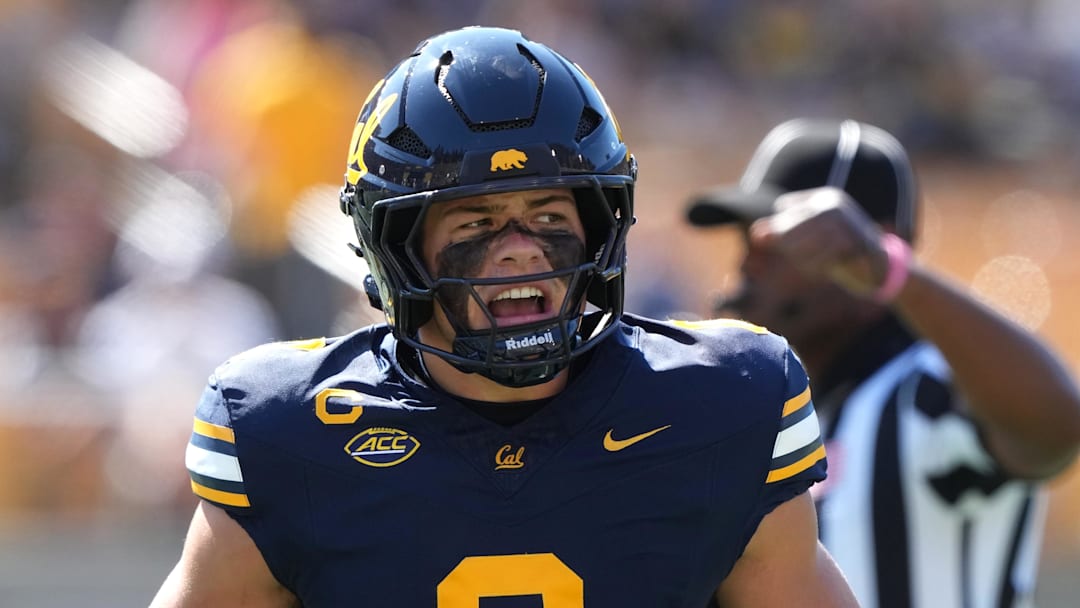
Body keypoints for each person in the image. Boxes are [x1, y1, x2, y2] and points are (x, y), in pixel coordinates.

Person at [150, 27, 859, 607]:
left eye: (549, 216)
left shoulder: (723, 403)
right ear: (397, 246)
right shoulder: (287, 431)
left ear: (600, 225)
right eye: (476, 222)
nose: (521, 249)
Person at [686, 118, 1080, 608]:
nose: (748, 263)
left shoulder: (924, 388)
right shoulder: (787, 411)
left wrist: (893, 273)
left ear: (868, 245)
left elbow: (1055, 427)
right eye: (745, 239)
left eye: (779, 241)